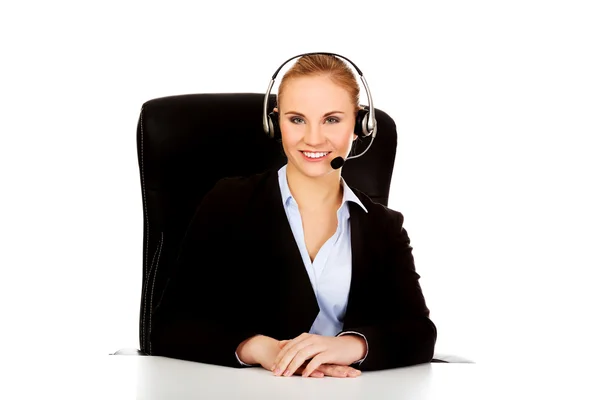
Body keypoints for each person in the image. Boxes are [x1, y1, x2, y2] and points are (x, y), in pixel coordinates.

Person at [150, 53, 436, 378]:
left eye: (332, 119)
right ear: (275, 123)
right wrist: (260, 348)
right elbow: (167, 327)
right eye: (297, 119)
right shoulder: (230, 201)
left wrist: (350, 345)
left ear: (359, 126)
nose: (313, 138)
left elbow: (419, 332)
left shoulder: (383, 226)